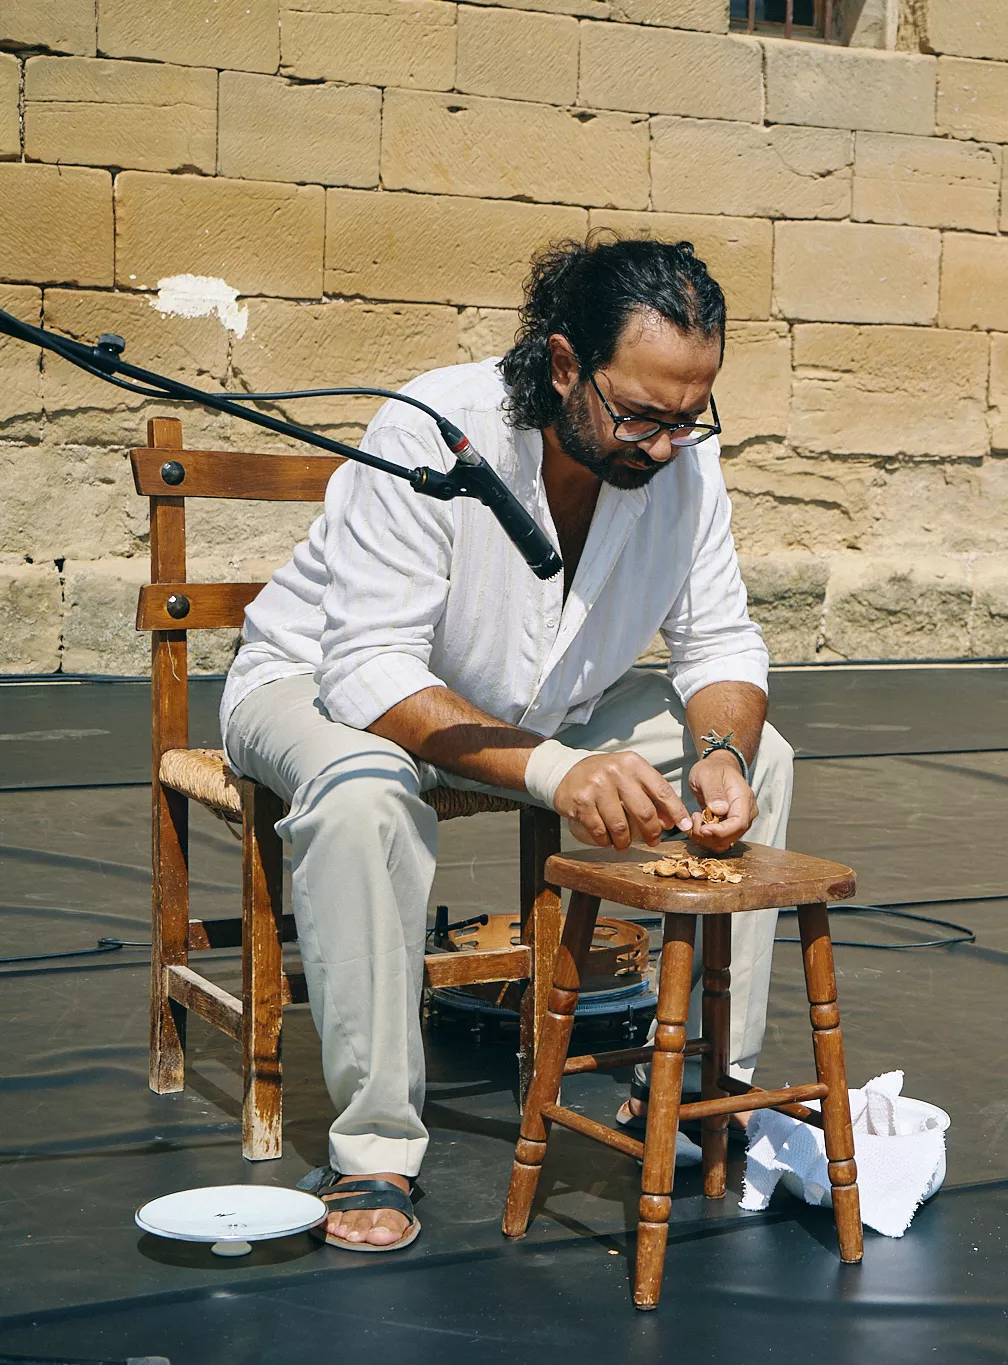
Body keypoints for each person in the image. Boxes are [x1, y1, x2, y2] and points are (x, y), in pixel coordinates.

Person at [222, 236, 792, 1250]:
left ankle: (704, 1087)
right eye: (640, 415)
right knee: (360, 791)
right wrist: (561, 774)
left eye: (688, 418)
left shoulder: (680, 466)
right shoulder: (435, 427)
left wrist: (720, 758)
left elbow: (719, 644)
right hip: (323, 691)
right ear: (565, 364)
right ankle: (373, 1153)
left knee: (766, 757)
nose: (664, 446)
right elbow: (369, 672)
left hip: (546, 713)